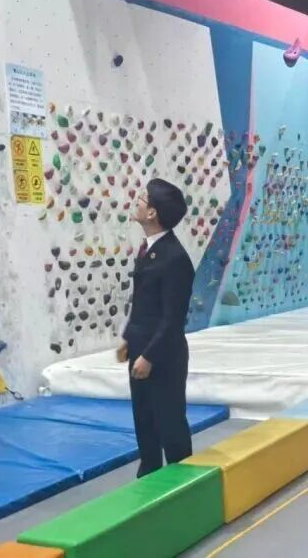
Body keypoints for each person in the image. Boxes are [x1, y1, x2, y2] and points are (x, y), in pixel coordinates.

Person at [116, 178, 196, 477]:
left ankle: (183, 483)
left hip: (163, 355)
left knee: (170, 424)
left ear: (152, 213)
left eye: (142, 198)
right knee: (145, 422)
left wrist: (149, 356)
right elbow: (142, 302)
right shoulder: (148, 249)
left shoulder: (175, 258)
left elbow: (173, 318)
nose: (136, 201)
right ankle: (148, 476)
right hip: (141, 348)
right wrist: (129, 338)